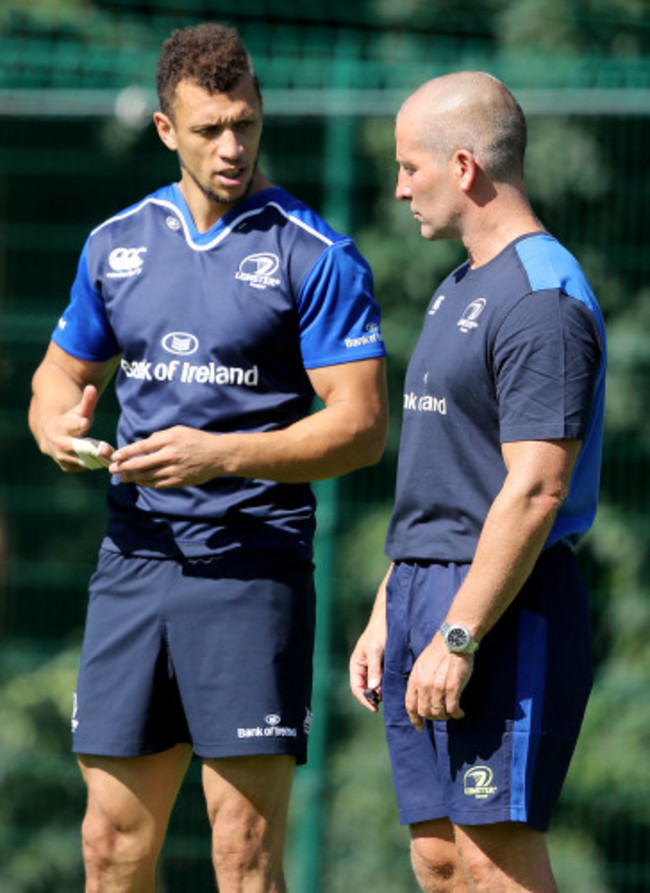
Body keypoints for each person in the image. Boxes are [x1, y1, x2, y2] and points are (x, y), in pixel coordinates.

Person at [29, 22, 388, 893]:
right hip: (135, 561)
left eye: (247, 124)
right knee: (110, 843)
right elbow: (58, 373)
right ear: (165, 130)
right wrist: (55, 427)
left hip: (250, 566)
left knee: (244, 852)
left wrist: (218, 455)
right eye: (208, 130)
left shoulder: (316, 253)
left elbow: (362, 426)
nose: (232, 148)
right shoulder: (115, 243)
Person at [350, 72, 606, 893]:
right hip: (424, 592)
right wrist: (391, 608)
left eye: (410, 168)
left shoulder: (541, 297)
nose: (399, 188)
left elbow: (535, 489)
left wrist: (458, 636)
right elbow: (447, 473)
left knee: (494, 861)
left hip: (502, 606)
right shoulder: (460, 284)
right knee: (438, 857)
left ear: (463, 166)